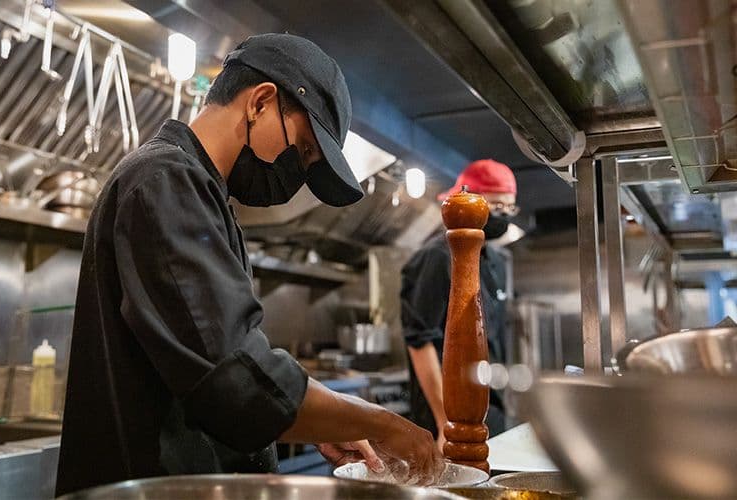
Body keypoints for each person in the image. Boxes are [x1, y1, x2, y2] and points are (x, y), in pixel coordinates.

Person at [56, 33, 441, 496]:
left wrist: (314, 422)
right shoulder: (165, 181)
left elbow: (210, 369)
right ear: (260, 102)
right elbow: (234, 382)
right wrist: (380, 423)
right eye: (303, 150)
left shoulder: (205, 197)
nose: (297, 176)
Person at [400, 159, 519, 451]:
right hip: (447, 416)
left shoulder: (495, 261)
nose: (503, 215)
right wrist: (446, 422)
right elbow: (419, 341)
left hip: (490, 408)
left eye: (509, 208)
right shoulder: (438, 257)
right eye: (496, 206)